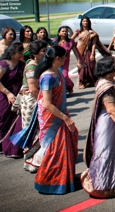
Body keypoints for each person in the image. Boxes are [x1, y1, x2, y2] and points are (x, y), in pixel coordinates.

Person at [81, 57, 115, 198]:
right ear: (107, 70)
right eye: (114, 65)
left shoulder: (106, 81)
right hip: (109, 125)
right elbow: (111, 109)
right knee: (107, 154)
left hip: (110, 123)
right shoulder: (107, 87)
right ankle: (103, 186)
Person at [33, 45, 79, 194]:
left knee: (67, 145)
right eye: (65, 57)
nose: (66, 59)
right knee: (55, 150)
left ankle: (65, 179)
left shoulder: (57, 72)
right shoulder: (47, 77)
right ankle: (48, 181)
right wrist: (65, 118)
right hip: (52, 118)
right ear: (57, 58)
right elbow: (47, 103)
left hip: (60, 113)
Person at [11, 41, 46, 171]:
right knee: (32, 129)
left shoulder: (40, 64)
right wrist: (44, 103)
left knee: (39, 130)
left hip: (38, 99)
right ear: (35, 53)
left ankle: (39, 159)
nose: (45, 52)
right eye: (43, 51)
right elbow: (33, 89)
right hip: (32, 102)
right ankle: (31, 162)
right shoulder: (31, 67)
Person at [0, 43, 25, 158]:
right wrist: (8, 93)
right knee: (3, 120)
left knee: (15, 122)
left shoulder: (21, 65)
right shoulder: (4, 64)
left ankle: (10, 147)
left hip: (17, 97)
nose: (22, 54)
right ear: (13, 53)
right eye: (19, 53)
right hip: (4, 96)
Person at [72, 16, 110, 89]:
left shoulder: (92, 32)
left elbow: (93, 44)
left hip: (89, 51)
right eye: (84, 21)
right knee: (81, 67)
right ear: (81, 23)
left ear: (89, 23)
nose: (85, 23)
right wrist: (75, 45)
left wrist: (92, 54)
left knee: (91, 66)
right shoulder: (78, 32)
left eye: (87, 21)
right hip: (80, 52)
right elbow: (71, 40)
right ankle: (81, 82)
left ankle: (91, 81)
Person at [54, 27, 76, 94]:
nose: (64, 32)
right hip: (56, 62)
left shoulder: (70, 42)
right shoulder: (55, 41)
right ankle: (61, 90)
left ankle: (70, 86)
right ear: (59, 33)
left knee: (65, 76)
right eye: (63, 31)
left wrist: (79, 60)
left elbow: (76, 51)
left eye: (66, 31)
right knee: (58, 77)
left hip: (65, 62)